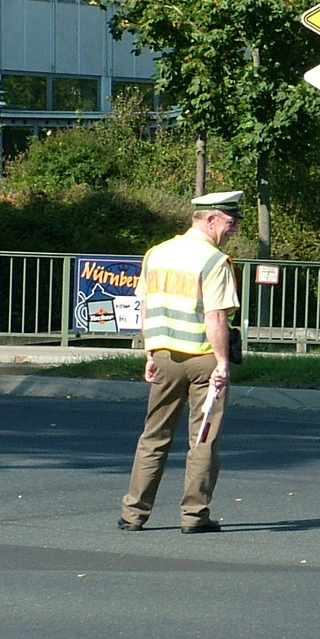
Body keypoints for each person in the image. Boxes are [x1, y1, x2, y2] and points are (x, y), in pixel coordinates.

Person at [119, 191, 244, 534]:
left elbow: (145, 306)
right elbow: (216, 316)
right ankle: (194, 516)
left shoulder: (156, 254)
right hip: (204, 358)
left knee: (153, 436)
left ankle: (134, 514)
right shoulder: (215, 260)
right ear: (210, 219)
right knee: (203, 438)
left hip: (165, 357)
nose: (233, 230)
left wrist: (149, 351)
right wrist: (222, 362)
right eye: (230, 223)